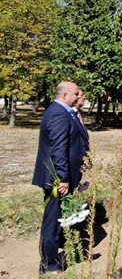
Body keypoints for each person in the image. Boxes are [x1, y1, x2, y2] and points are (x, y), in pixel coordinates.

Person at [32, 81, 89, 273]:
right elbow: (58, 149)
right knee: (52, 221)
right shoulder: (58, 113)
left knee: (59, 219)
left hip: (62, 178)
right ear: (65, 95)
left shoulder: (62, 111)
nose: (78, 96)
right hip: (56, 179)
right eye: (76, 93)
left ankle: (54, 258)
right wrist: (64, 177)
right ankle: (50, 264)